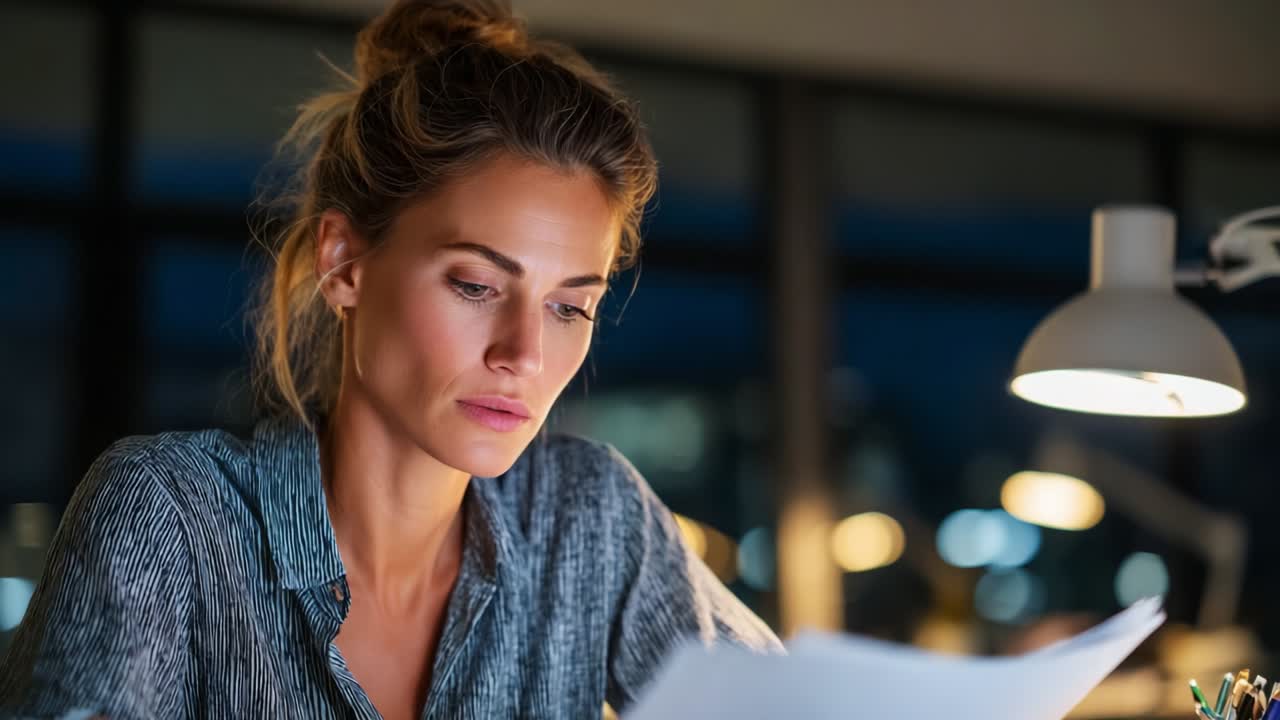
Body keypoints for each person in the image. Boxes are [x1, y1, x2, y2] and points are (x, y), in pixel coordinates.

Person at [0, 1, 781, 718]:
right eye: (476, 285)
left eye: (570, 306)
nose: (525, 355)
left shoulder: (591, 520)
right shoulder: (170, 518)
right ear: (344, 264)